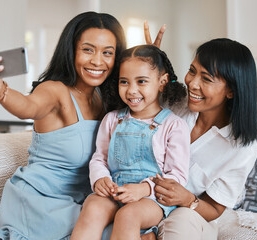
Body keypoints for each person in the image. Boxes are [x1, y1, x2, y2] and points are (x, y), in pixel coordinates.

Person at [0, 11, 127, 240]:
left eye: (108, 53)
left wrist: (146, 65)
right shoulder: (55, 91)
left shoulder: (106, 99)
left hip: (84, 204)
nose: (97, 61)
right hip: (41, 205)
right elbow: (27, 106)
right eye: (88, 49)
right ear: (71, 50)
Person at [143, 34, 257, 239]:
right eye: (191, 71)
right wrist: (148, 65)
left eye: (206, 79)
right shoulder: (175, 103)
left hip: (188, 214)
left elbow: (215, 208)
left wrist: (187, 199)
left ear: (231, 91)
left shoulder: (241, 148)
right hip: (141, 198)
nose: (192, 84)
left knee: (182, 222)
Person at [71, 44, 190, 240]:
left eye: (141, 81)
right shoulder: (112, 119)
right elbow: (99, 158)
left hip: (152, 199)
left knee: (128, 214)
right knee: (92, 206)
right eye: (124, 82)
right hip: (115, 192)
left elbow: (177, 176)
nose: (132, 90)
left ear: (162, 82)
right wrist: (101, 178)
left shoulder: (174, 125)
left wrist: (144, 189)